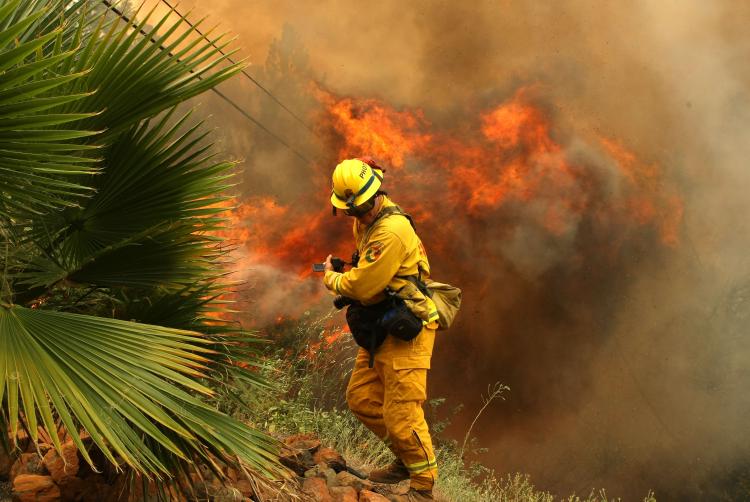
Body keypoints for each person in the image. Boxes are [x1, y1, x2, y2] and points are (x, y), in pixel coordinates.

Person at [321, 157, 439, 501]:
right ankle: (407, 458)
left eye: (360, 208)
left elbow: (361, 287)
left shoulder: (391, 230)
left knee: (402, 413)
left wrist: (332, 276)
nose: (357, 215)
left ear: (375, 195)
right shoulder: (367, 213)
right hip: (382, 325)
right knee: (361, 398)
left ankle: (422, 487)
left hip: (407, 328)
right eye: (350, 211)